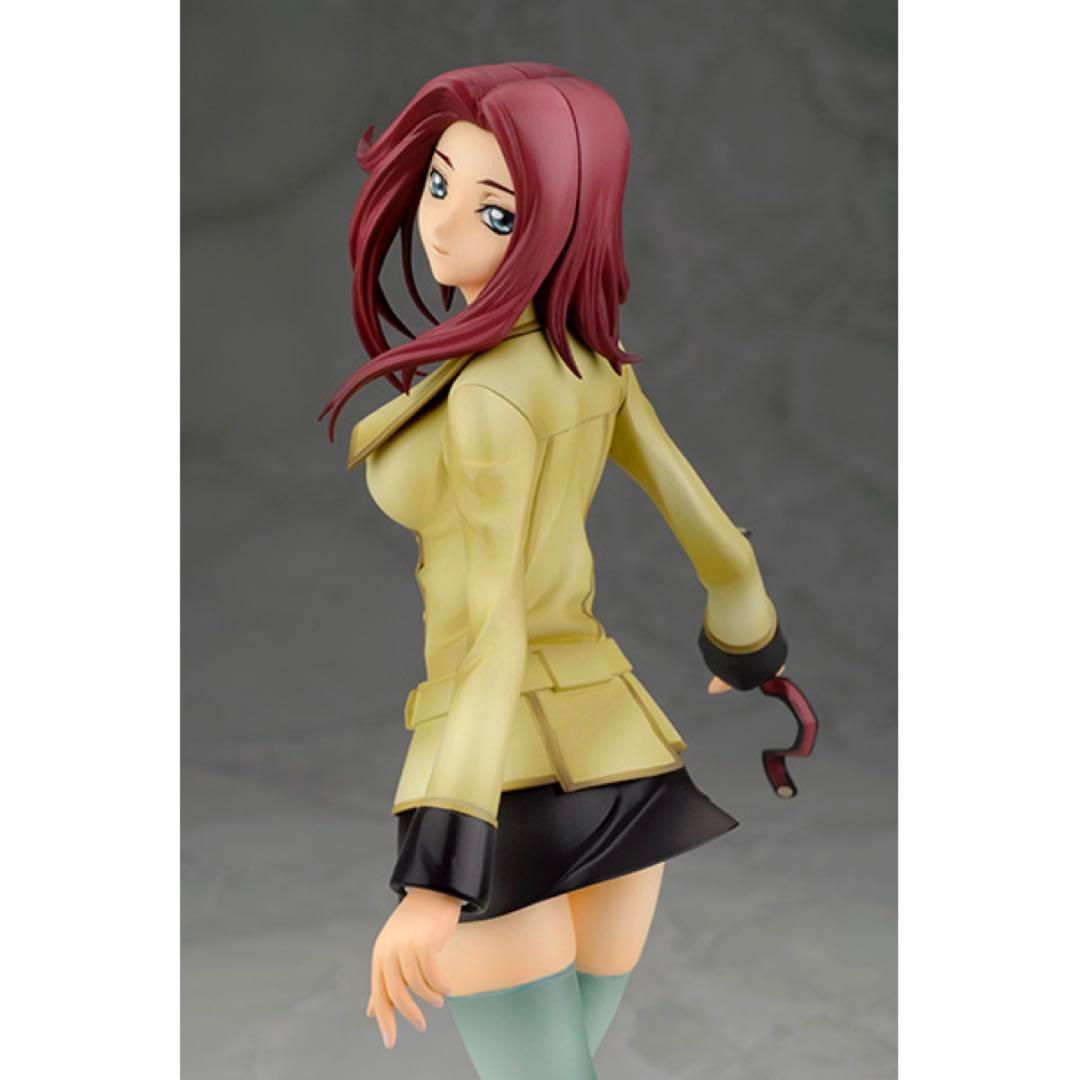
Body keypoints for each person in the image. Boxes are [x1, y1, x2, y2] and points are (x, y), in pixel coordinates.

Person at [319, 63, 788, 1079]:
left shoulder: (489, 398)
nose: (442, 226)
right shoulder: (592, 361)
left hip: (500, 785)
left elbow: (492, 633)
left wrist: (438, 875)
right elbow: (718, 541)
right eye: (437, 185)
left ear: (559, 222)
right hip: (624, 760)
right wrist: (748, 647)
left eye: (493, 211)